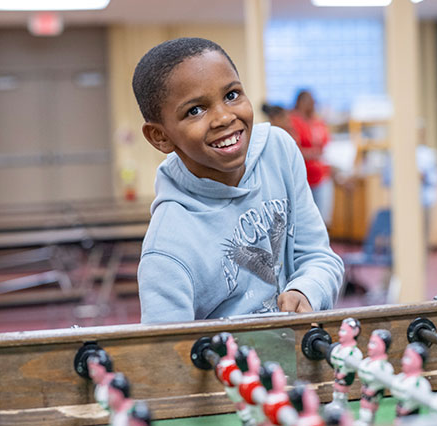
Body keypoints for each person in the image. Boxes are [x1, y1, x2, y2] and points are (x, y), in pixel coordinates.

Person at [132, 38, 344, 324]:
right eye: (195, 110)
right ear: (160, 136)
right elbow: (168, 360)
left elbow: (320, 257)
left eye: (232, 95)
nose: (223, 117)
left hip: (298, 358)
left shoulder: (277, 151)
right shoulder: (166, 252)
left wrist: (305, 290)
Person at [288, 90, 334, 226]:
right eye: (308, 102)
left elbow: (326, 146)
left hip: (322, 175)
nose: (312, 105)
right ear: (300, 103)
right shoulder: (292, 121)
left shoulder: (318, 122)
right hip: (302, 178)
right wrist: (312, 153)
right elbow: (292, 149)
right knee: (304, 221)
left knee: (323, 220)